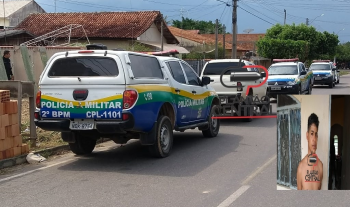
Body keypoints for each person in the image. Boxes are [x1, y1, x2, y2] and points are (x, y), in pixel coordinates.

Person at [297, 113, 323, 190]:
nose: (314, 139)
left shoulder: (320, 166)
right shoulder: (301, 167)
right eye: (312, 134)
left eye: (316, 134)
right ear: (307, 136)